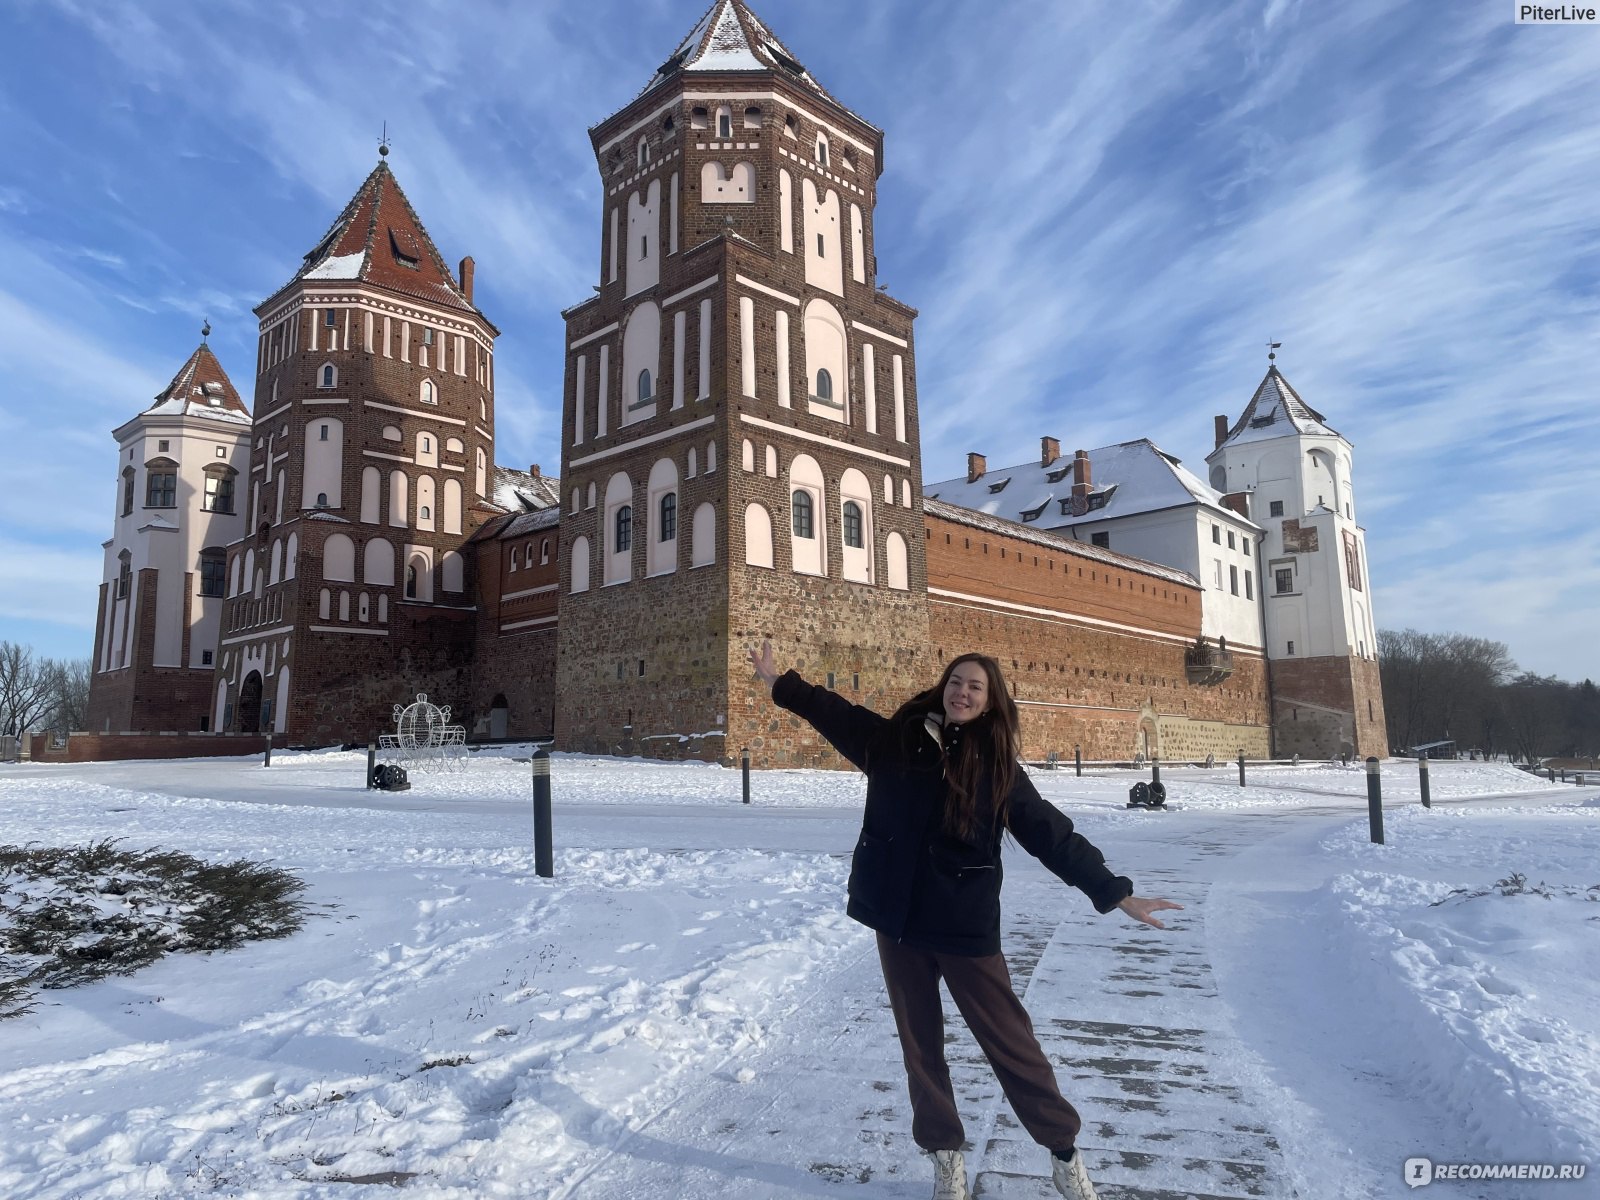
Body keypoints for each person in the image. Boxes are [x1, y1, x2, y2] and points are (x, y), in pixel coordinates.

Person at [748, 641, 1182, 1200]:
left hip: (963, 924)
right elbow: (836, 713)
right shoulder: (896, 740)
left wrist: (1116, 892)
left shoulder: (999, 767)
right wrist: (780, 683)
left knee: (1009, 1042)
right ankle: (945, 1155)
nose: (963, 692)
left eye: (975, 687)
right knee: (920, 1046)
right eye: (956, 682)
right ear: (943, 687)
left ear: (990, 702)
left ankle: (1063, 1151)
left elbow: (1052, 835)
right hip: (898, 919)